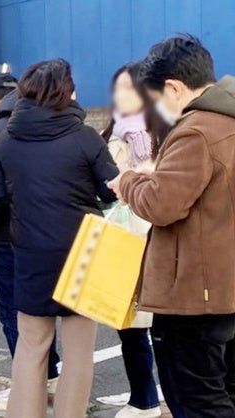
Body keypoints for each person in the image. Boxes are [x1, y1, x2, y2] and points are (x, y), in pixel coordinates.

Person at [108, 35, 235, 418]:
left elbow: (161, 205)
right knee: (225, 391)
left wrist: (128, 180)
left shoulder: (195, 130)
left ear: (175, 87)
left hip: (195, 298)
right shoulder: (228, 121)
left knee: (196, 400)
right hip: (225, 289)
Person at [0, 59, 119, 418]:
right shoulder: (84, 137)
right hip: (82, 254)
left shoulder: (5, 141)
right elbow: (110, 191)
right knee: (79, 355)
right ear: (65, 91)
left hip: (30, 255)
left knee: (31, 348)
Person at [0, 73, 62, 411]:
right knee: (41, 310)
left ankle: (26, 384)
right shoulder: (54, 124)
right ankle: (49, 374)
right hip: (49, 237)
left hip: (9, 239)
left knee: (13, 313)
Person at [100, 63, 166, 418]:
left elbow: (143, 176)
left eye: (129, 89)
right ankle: (141, 392)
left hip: (142, 236)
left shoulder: (151, 131)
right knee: (126, 320)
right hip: (123, 233)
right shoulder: (119, 128)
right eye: (118, 89)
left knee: (139, 322)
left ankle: (145, 400)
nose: (120, 96)